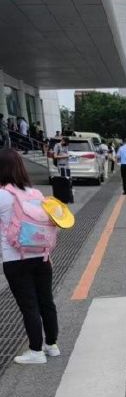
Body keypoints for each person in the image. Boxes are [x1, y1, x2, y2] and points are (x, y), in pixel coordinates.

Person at [0, 149, 60, 364]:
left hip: (16, 259)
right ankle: (51, 345)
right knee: (46, 301)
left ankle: (36, 351)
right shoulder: (35, 193)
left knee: (29, 305)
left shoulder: (3, 195)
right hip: (42, 256)